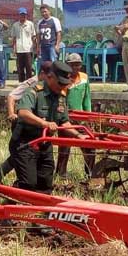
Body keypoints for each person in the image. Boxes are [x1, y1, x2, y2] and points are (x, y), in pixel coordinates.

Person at [10, 61, 79, 194]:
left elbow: (64, 122)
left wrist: (78, 135)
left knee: (46, 182)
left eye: (65, 84)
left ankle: (41, 212)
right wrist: (44, 124)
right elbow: (23, 113)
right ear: (50, 77)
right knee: (28, 184)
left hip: (44, 143)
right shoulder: (34, 92)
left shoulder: (60, 97)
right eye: (60, 83)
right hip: (25, 143)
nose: (62, 87)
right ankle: (11, 200)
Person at [0, 62, 52, 183]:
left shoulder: (48, 86)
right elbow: (11, 96)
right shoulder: (32, 83)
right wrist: (11, 114)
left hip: (36, 127)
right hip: (23, 125)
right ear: (42, 74)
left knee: (26, 153)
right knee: (23, 152)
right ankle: (0, 175)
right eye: (50, 76)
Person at [56, 53, 92, 177]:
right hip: (67, 118)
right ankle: (61, 173)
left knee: (89, 146)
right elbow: (61, 100)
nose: (76, 68)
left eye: (78, 64)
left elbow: (87, 98)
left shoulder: (84, 78)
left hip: (81, 118)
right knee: (64, 148)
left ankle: (90, 173)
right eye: (73, 65)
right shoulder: (63, 81)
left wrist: (89, 115)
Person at [11, 7, 36, 82]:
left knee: (29, 68)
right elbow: (14, 38)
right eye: (21, 15)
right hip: (19, 49)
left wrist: (35, 46)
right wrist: (14, 49)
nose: (23, 16)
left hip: (28, 49)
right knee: (20, 68)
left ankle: (29, 83)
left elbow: (33, 36)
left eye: (24, 15)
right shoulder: (15, 25)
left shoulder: (30, 24)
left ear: (26, 15)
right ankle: (21, 83)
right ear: (19, 15)